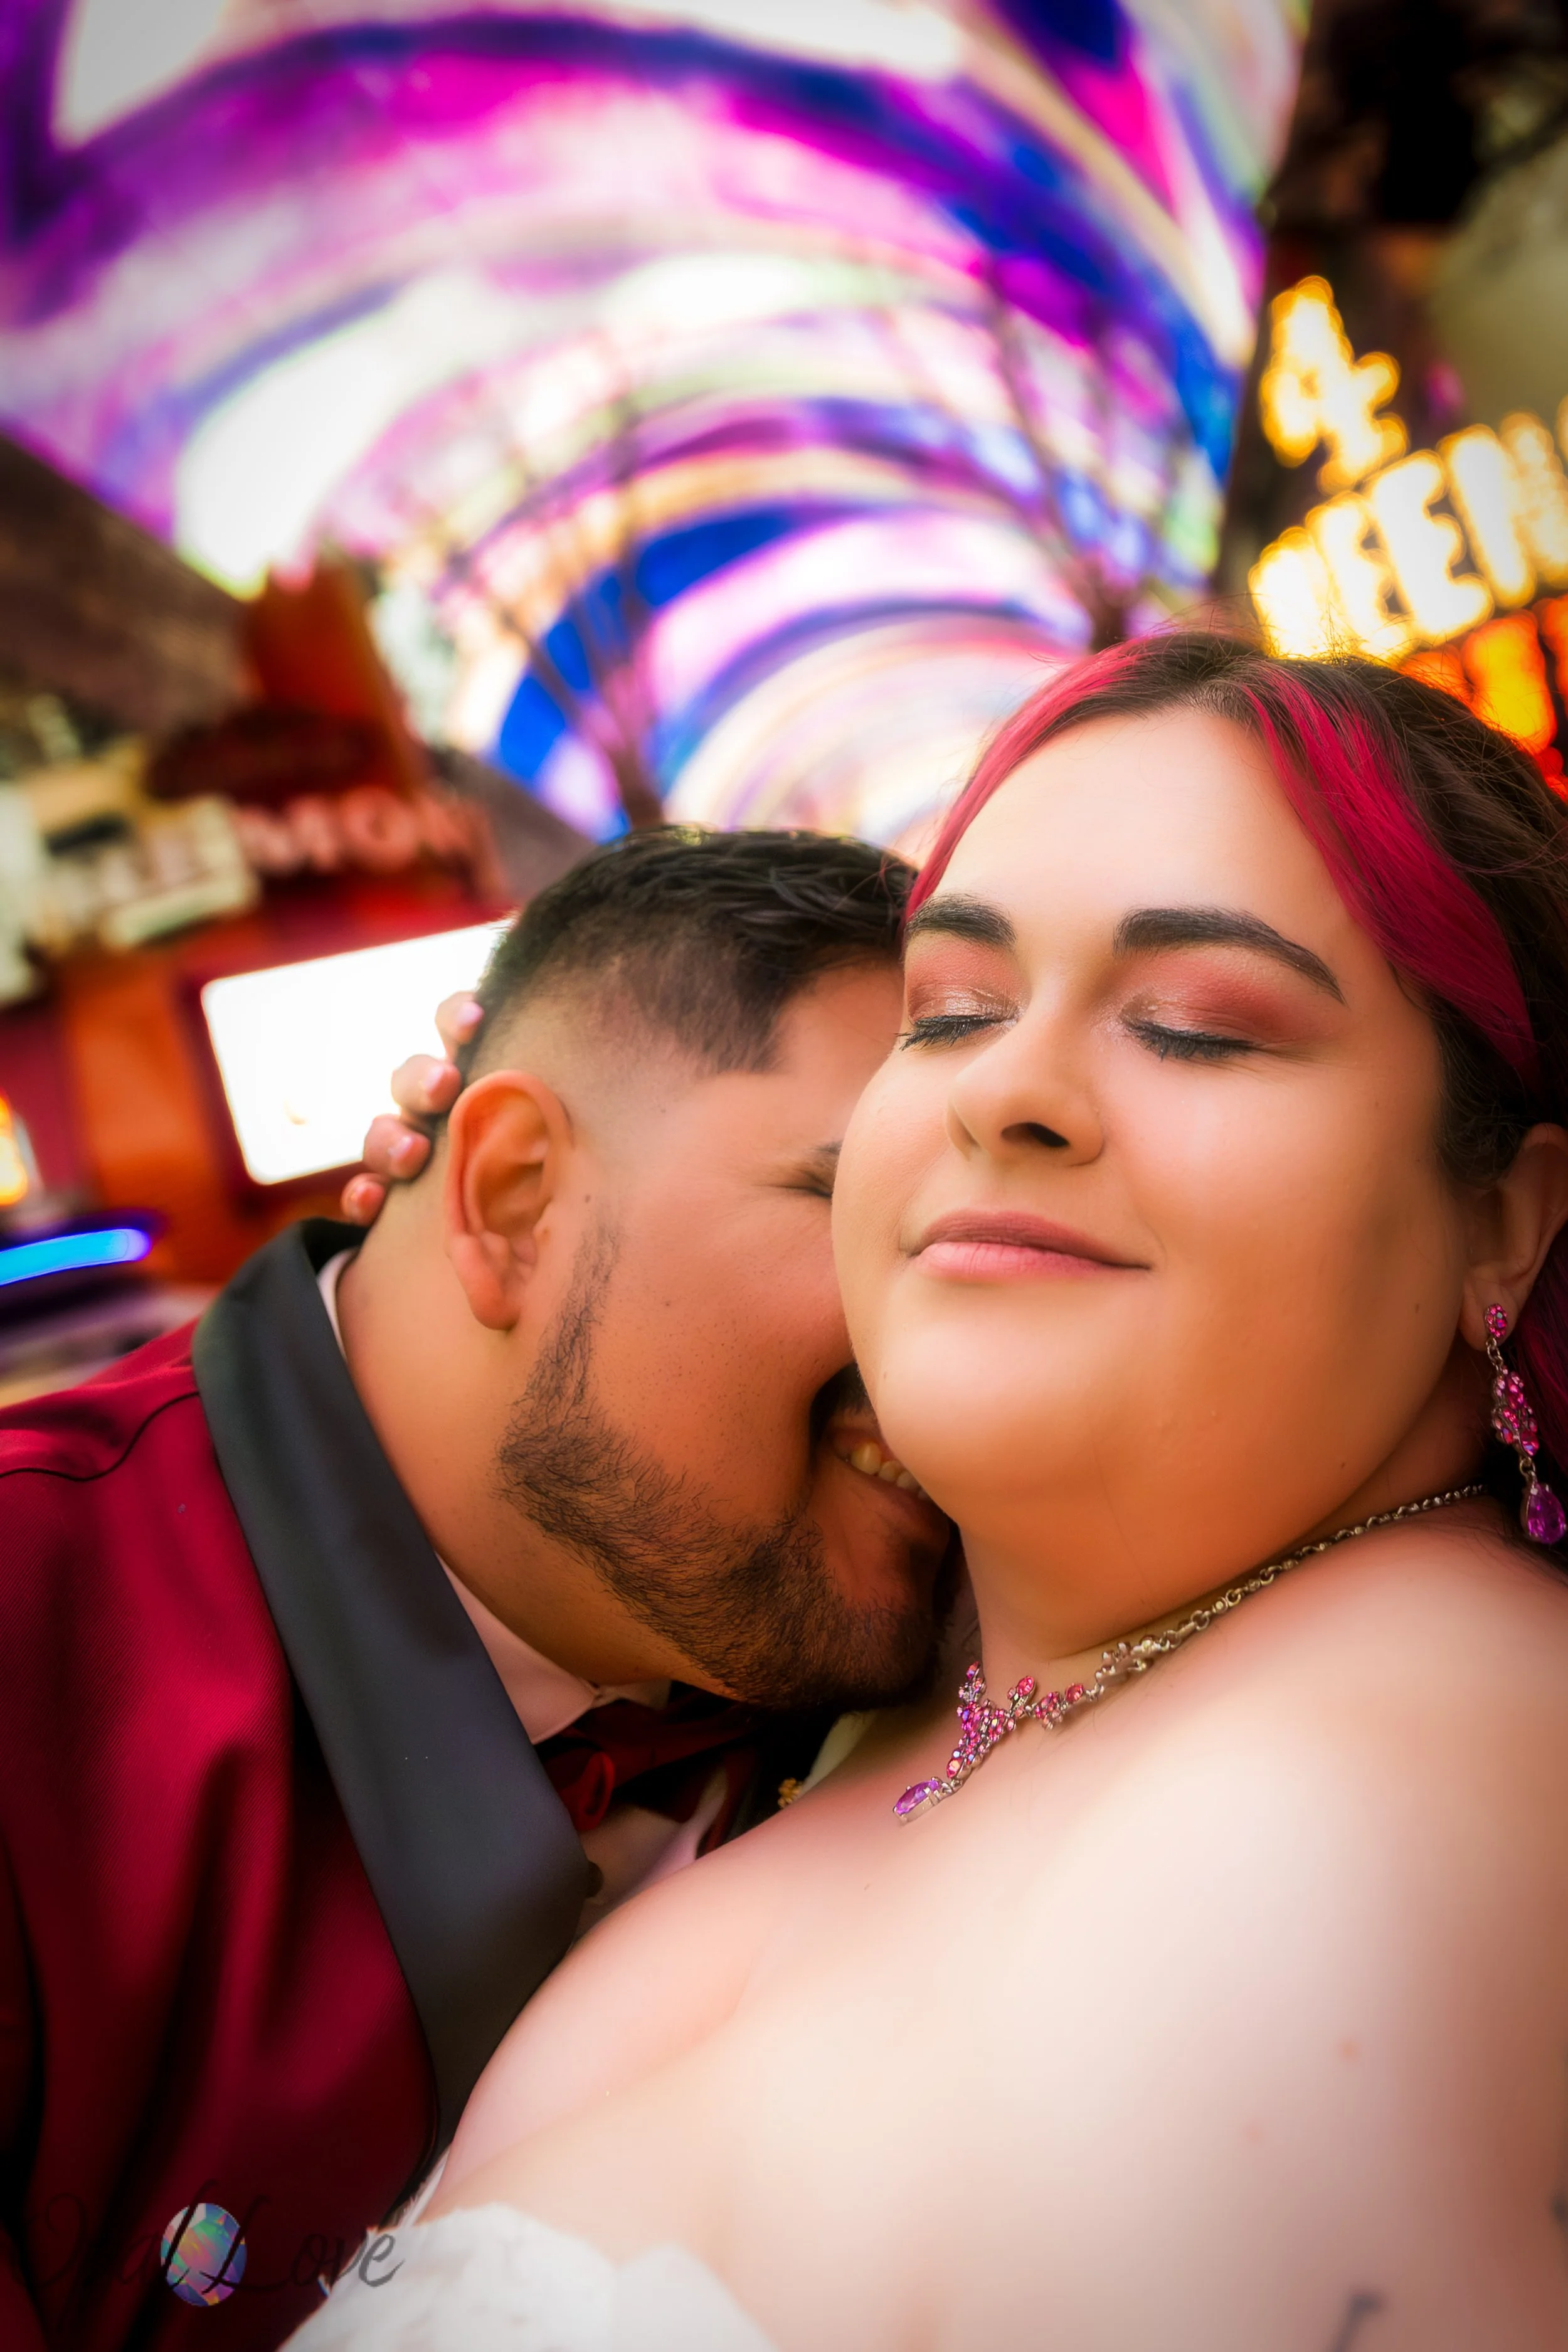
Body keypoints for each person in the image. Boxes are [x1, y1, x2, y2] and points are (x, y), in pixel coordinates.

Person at [294, 631, 1568, 2352]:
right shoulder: (876, 1653)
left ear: (1502, 1211)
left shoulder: (1358, 1829)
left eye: (1197, 1027)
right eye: (948, 1008)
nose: (1003, 1092)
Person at [0, 829, 950, 2352]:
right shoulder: (33, 1646)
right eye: (860, 1219)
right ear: (510, 1198)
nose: (947, 1353)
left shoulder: (986, 1597)